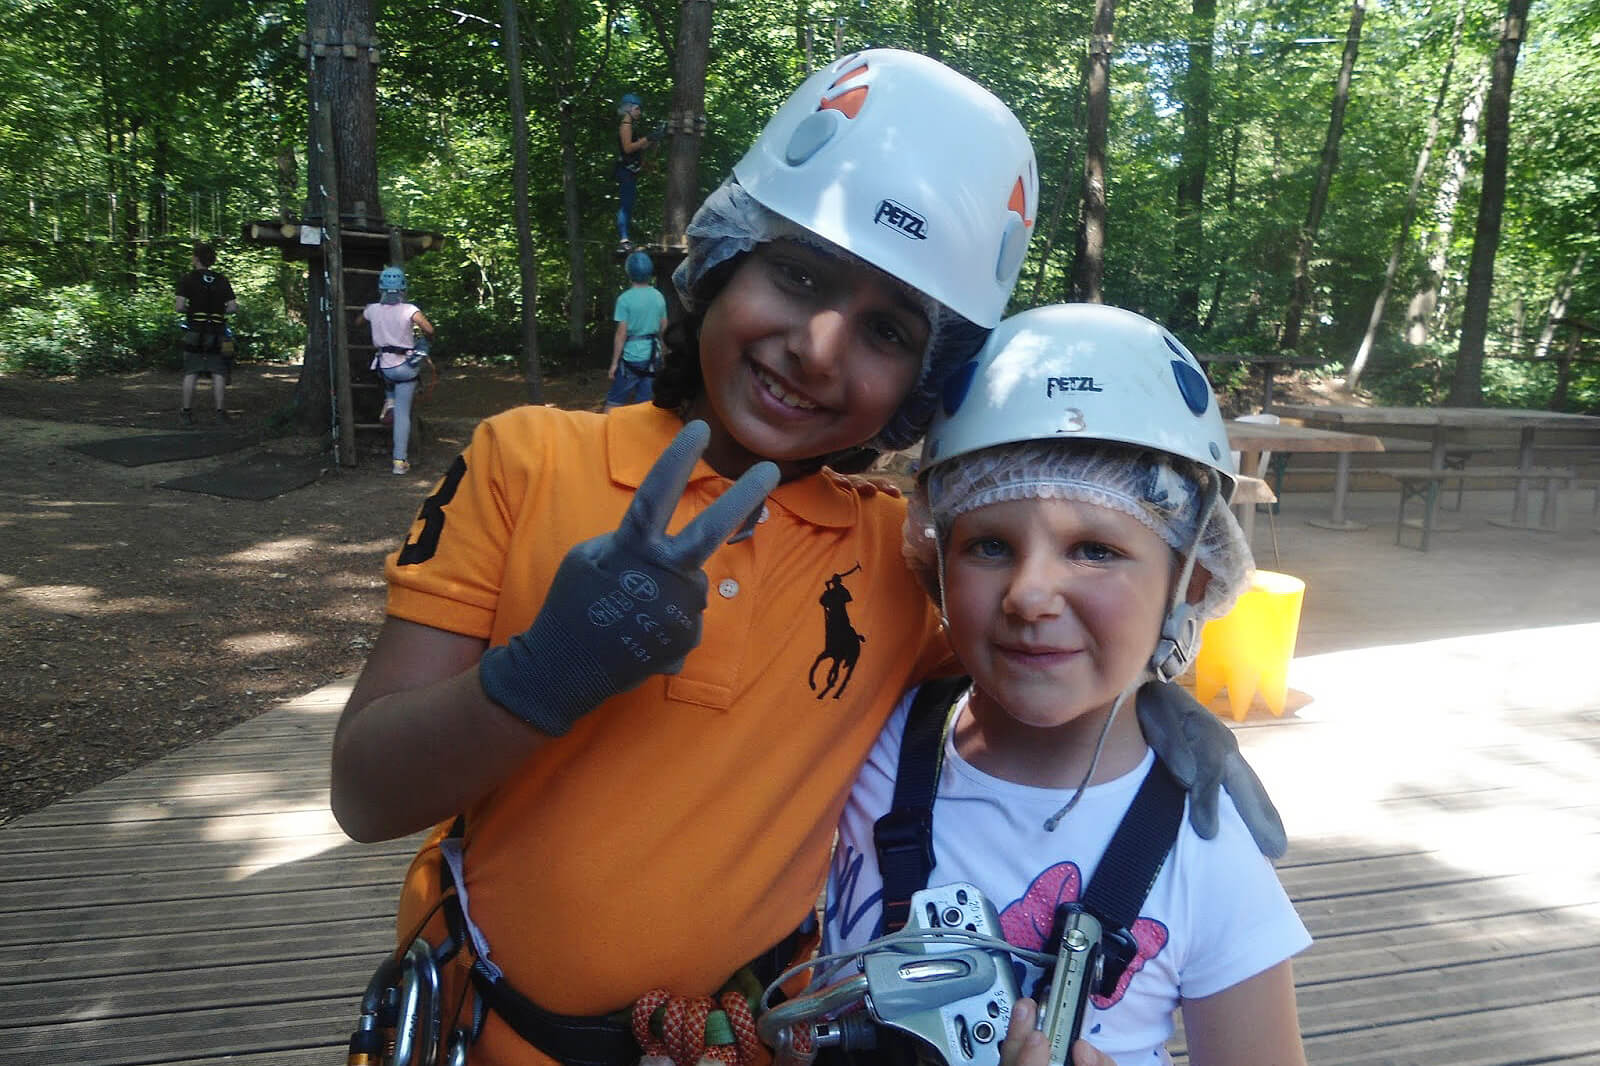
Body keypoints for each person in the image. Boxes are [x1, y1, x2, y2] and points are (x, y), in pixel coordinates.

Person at [332, 51, 1274, 1066]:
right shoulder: (526, 461)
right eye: (799, 273)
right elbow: (365, 792)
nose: (819, 347)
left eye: (886, 330)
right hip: (483, 1030)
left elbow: (1040, 648)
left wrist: (1159, 703)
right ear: (724, 258)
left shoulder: (899, 558)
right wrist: (541, 675)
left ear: (923, 381)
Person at [820, 304, 1310, 1066]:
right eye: (988, 545)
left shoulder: (1203, 853)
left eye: (1094, 548)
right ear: (933, 563)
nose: (1029, 593)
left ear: (1191, 579)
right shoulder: (867, 739)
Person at [363, 265, 436, 476]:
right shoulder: (409, 309)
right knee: (403, 416)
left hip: (383, 367)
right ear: (403, 287)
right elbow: (429, 329)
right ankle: (399, 461)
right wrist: (425, 343)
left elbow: (360, 320)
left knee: (388, 375)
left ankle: (389, 400)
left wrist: (368, 314)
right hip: (405, 369)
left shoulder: (372, 310)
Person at [174, 241, 237, 426]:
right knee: (218, 372)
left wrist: (193, 311)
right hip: (218, 332)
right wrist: (216, 312)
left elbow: (179, 307)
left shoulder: (188, 279)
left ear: (196, 258)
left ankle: (186, 413)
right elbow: (233, 307)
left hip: (195, 330)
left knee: (191, 372)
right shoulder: (221, 279)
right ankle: (219, 413)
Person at [604, 250, 668, 410]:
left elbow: (621, 334)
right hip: (653, 357)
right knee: (645, 405)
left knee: (614, 402)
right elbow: (664, 329)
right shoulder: (658, 296)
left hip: (631, 359)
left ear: (629, 272)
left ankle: (604, 432)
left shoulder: (624, 299)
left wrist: (613, 364)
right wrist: (665, 354)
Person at [614, 92, 657, 253]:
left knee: (628, 204)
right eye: (637, 109)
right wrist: (647, 139)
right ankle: (624, 240)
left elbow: (637, 148)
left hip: (630, 171)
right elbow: (628, 148)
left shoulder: (630, 126)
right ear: (629, 109)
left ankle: (625, 239)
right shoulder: (625, 126)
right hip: (625, 171)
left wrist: (652, 139)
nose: (639, 112)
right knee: (625, 205)